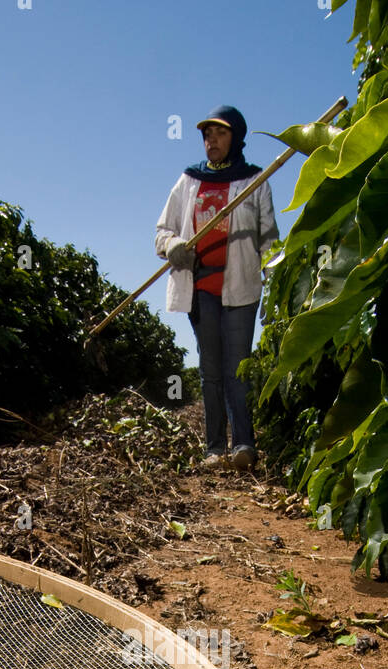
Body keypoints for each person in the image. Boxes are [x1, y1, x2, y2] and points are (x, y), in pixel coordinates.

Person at [155, 104, 279, 469]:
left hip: (240, 287)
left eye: (220, 133)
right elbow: (162, 231)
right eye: (207, 134)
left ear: (236, 138)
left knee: (237, 367)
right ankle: (213, 450)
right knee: (210, 369)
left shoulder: (255, 181)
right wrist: (173, 245)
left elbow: (269, 239)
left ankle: (244, 446)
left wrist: (274, 284)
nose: (212, 140)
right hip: (201, 290)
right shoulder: (189, 181)